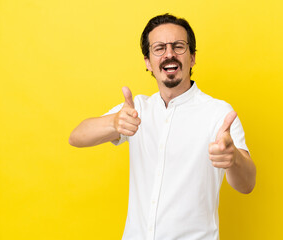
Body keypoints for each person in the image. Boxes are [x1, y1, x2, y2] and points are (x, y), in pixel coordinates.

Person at [69, 13, 256, 240]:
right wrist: (114, 121)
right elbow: (77, 136)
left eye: (178, 46)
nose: (169, 54)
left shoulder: (219, 113)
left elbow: (247, 184)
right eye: (159, 48)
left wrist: (233, 157)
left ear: (193, 57)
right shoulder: (136, 109)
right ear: (148, 62)